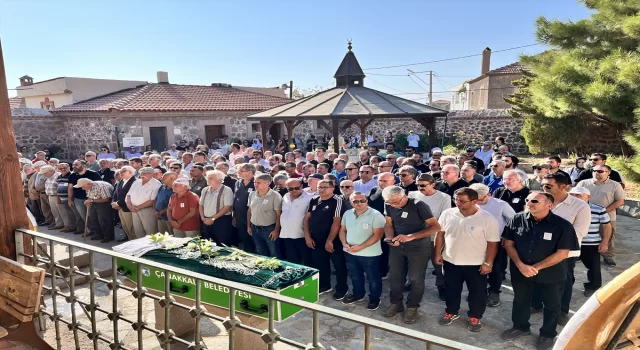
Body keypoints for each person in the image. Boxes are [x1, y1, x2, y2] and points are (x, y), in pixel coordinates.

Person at [501, 192, 578, 350]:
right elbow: (508, 243)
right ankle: (520, 326)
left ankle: (548, 334)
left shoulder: (562, 226)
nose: (529, 203)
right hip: (520, 270)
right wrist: (521, 265)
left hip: (551, 273)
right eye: (528, 200)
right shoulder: (517, 219)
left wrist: (535, 268)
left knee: (552, 304)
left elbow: (563, 253)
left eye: (535, 201)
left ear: (549, 205)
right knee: (520, 300)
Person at [435, 188, 500, 332]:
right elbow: (440, 234)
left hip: (475, 264)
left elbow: (493, 243)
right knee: (451, 289)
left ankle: (475, 316)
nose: (458, 203)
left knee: (477, 292)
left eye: (462, 201)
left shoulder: (487, 219)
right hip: (451, 261)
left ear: (475, 201)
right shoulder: (448, 213)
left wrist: (488, 263)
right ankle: (451, 312)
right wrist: (438, 253)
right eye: (456, 200)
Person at [532, 172, 591, 325]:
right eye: (542, 185)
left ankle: (561, 311)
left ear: (563, 186)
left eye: (548, 186)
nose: (544, 188)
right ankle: (536, 304)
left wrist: (553, 245)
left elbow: (579, 232)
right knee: (536, 279)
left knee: (563, 282)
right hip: (538, 251)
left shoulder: (580, 206)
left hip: (565, 254)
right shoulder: (539, 200)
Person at [382, 186, 441, 324]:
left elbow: (436, 227)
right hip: (398, 245)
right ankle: (396, 303)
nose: (394, 206)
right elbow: (388, 224)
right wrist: (390, 238)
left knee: (416, 278)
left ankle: (412, 306)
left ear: (405, 196)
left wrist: (411, 237)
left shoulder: (419, 205)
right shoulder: (389, 204)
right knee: (395, 276)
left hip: (418, 247)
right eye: (391, 203)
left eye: (396, 203)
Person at [470, 183, 516, 308]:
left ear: (488, 195)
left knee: (495, 269)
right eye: (474, 199)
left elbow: (515, 221)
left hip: (495, 241)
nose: (477, 202)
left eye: (480, 199)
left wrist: (506, 237)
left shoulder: (501, 205)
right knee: (474, 268)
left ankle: (494, 291)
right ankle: (478, 291)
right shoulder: (468, 202)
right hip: (473, 241)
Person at [409, 173, 451, 300]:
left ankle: (442, 287)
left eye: (423, 185)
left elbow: (444, 217)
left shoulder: (444, 197)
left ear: (433, 184)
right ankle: (413, 284)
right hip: (416, 235)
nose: (420, 188)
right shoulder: (412, 195)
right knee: (416, 263)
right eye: (417, 185)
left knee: (438, 264)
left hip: (435, 236)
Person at [339, 192, 385, 310]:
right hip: (350, 252)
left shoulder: (376, 214)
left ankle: (374, 299)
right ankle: (358, 295)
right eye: (355, 201)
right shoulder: (347, 213)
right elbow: (342, 230)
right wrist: (344, 243)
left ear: (367, 201)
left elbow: (377, 235)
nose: (359, 203)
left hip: (369, 254)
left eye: (362, 200)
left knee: (373, 277)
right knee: (355, 275)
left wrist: (360, 247)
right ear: (350, 202)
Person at [304, 180, 349, 298]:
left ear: (332, 188)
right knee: (320, 263)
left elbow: (337, 222)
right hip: (316, 239)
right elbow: (307, 219)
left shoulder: (338, 201)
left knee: (339, 265)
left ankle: (342, 288)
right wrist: (308, 237)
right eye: (320, 187)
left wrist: (330, 240)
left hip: (333, 240)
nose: (322, 190)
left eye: (325, 187)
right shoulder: (314, 200)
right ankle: (325, 285)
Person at [576, 164, 625, 267]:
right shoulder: (583, 183)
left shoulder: (615, 185)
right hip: (584, 215)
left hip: (608, 215)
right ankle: (578, 254)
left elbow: (620, 201)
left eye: (600, 171)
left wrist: (603, 211)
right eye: (594, 171)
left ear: (608, 173)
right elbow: (574, 197)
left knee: (608, 236)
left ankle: (608, 256)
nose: (596, 173)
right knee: (581, 234)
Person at [569, 187, 611, 297]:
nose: (575, 197)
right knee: (567, 267)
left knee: (594, 267)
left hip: (590, 243)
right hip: (570, 243)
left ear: (588, 197)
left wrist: (605, 242)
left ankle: (593, 287)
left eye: (578, 195)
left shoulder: (599, 209)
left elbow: (606, 226)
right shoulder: (567, 208)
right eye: (572, 195)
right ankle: (567, 285)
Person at [247, 173, 283, 258]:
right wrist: (249, 226)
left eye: (258, 182)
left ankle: (277, 270)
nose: (256, 184)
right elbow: (249, 211)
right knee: (260, 252)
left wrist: (276, 230)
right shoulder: (252, 194)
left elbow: (279, 214)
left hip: (269, 229)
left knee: (274, 253)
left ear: (267, 183)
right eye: (255, 182)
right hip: (255, 228)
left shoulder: (275, 196)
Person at [200, 170, 234, 245]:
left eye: (210, 178)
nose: (208, 180)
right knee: (208, 243)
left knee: (223, 244)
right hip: (206, 220)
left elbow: (227, 207)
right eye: (207, 178)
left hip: (221, 221)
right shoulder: (205, 190)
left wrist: (213, 218)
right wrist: (202, 217)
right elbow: (201, 205)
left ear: (220, 180)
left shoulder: (226, 190)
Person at [75, 178, 115, 242]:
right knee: (93, 218)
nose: (82, 188)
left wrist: (91, 200)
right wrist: (88, 201)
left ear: (88, 184)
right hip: (94, 201)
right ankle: (98, 234)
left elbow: (107, 199)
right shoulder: (88, 187)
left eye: (82, 186)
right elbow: (89, 196)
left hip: (105, 203)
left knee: (104, 219)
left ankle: (108, 236)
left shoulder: (101, 186)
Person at [126, 167, 162, 238]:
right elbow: (129, 195)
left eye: (145, 173)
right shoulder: (136, 182)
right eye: (141, 173)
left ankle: (152, 248)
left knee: (150, 231)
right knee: (138, 231)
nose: (142, 175)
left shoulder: (156, 184)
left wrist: (137, 207)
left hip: (147, 210)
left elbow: (152, 200)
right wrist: (129, 206)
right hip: (134, 210)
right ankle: (141, 247)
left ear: (152, 174)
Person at [68, 160, 102, 234]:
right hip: (78, 198)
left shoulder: (93, 174)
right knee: (83, 216)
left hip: (91, 198)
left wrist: (93, 198)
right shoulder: (73, 175)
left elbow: (99, 185)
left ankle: (98, 232)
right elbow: (70, 187)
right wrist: (70, 199)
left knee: (92, 216)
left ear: (83, 165)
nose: (74, 166)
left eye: (76, 164)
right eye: (73, 165)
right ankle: (91, 230)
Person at [234, 164, 256, 253]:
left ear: (250, 172)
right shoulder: (238, 182)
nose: (238, 173)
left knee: (253, 238)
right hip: (239, 215)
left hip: (252, 215)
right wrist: (234, 215)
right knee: (244, 237)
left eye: (241, 171)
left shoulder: (256, 182)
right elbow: (235, 198)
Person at [54, 163, 77, 233]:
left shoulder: (72, 176)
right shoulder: (59, 177)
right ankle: (71, 226)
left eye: (65, 168)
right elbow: (57, 187)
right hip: (62, 198)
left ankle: (77, 227)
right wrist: (58, 198)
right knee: (68, 214)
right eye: (61, 168)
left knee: (75, 213)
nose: (63, 170)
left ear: (69, 168)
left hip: (71, 198)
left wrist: (71, 199)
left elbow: (73, 188)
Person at [41, 165, 65, 230]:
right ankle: (59, 224)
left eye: (45, 173)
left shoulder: (58, 176)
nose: (44, 174)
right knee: (55, 211)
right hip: (50, 195)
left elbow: (59, 187)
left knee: (62, 211)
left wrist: (58, 197)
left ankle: (66, 225)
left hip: (57, 196)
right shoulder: (48, 176)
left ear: (51, 171)